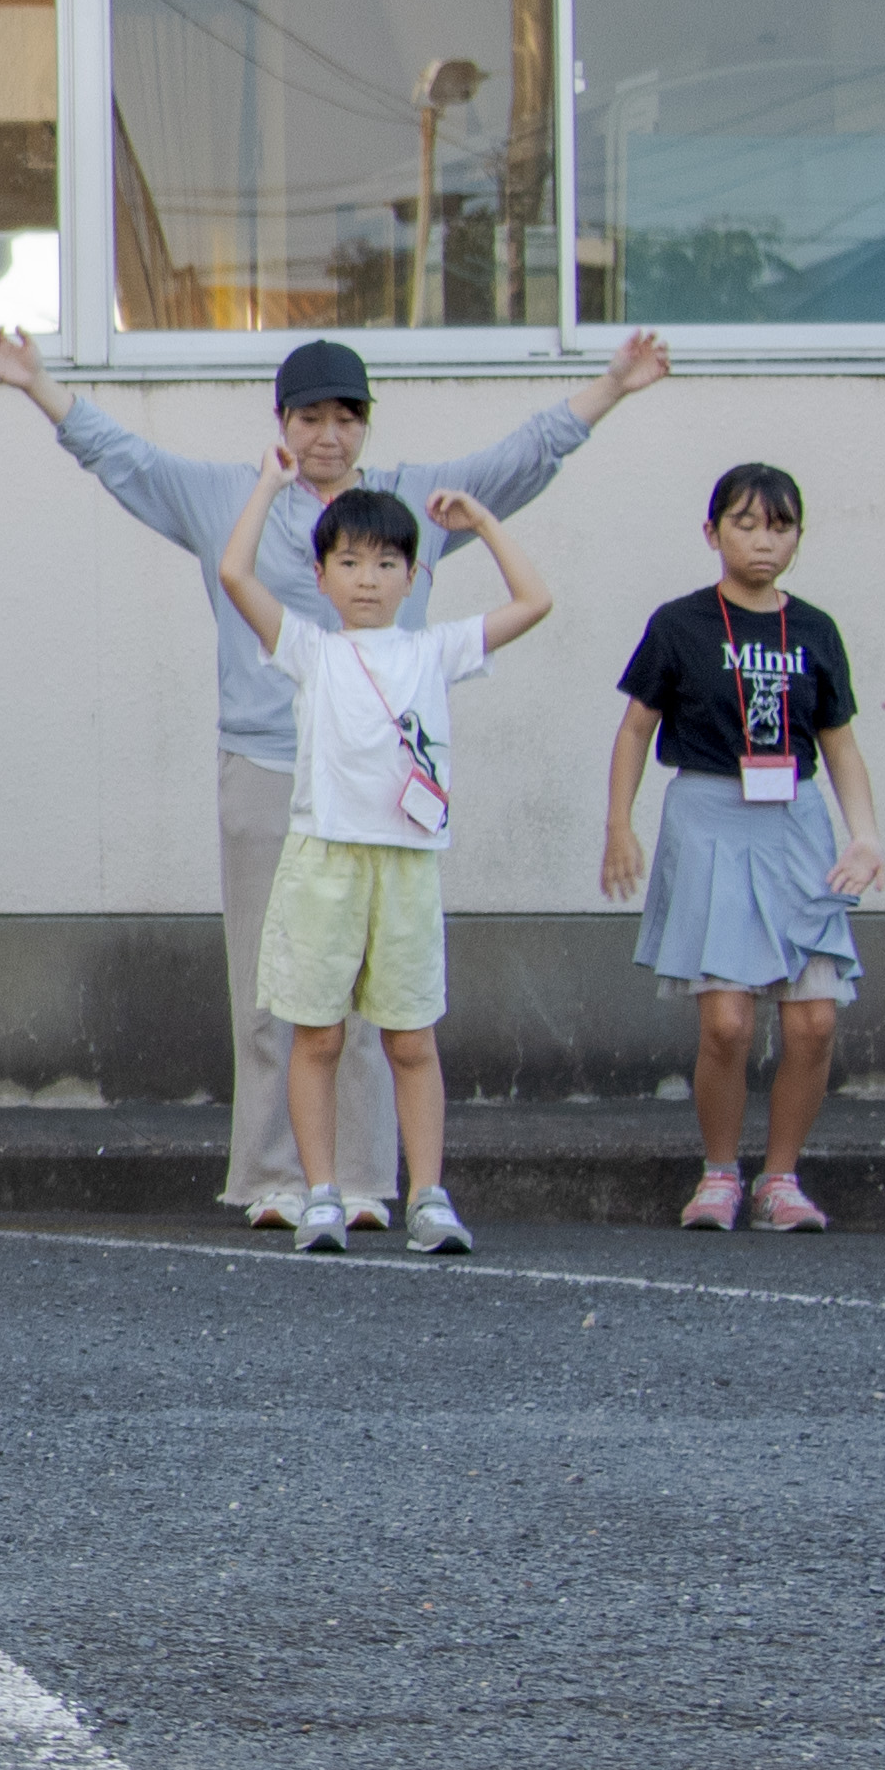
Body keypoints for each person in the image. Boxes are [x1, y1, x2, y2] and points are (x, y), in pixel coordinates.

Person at [0, 321, 670, 1224]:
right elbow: (124, 459)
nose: (328, 435)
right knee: (274, 991)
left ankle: (359, 1183)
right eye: (310, 416)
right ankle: (273, 1178)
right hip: (269, 772)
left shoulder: (408, 505)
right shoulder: (234, 496)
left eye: (347, 416)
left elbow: (521, 458)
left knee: (375, 994)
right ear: (281, 420)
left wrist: (611, 386)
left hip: (383, 794)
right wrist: (38, 383)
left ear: (366, 427)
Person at [210, 467, 550, 1258]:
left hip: (406, 867)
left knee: (411, 1039)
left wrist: (483, 519)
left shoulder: (436, 650)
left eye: (388, 563)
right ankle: (319, 1194)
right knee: (318, 1038)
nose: (369, 579)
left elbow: (534, 602)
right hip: (324, 863)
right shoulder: (308, 649)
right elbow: (234, 572)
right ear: (321, 577)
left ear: (414, 576)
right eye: (351, 564)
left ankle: (427, 1196)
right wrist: (266, 485)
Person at [596, 462, 884, 1233]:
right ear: (712, 532)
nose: (764, 540)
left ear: (798, 536)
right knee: (725, 1019)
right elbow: (635, 728)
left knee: (814, 1019)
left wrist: (865, 836)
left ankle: (780, 1179)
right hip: (708, 812)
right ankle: (720, 1172)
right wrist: (619, 823)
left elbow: (841, 744)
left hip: (795, 818)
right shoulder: (680, 623)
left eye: (781, 525)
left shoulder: (815, 629)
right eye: (746, 524)